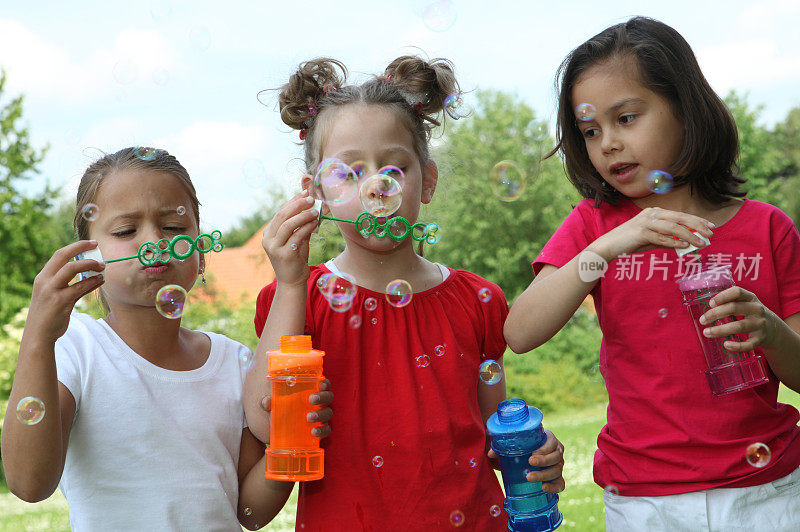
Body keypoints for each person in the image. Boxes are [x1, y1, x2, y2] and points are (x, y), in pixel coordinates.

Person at [243, 56, 566, 531]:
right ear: (315, 193)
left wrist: (532, 451)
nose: (376, 187)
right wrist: (290, 279)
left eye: (394, 169)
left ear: (427, 181)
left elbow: (495, 434)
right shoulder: (300, 297)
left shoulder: (477, 299)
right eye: (349, 172)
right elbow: (263, 423)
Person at [505, 16, 800, 530]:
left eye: (626, 119)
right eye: (590, 130)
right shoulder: (596, 227)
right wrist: (609, 245)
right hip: (643, 498)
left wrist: (769, 330)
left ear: (686, 111)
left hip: (766, 491)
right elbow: (520, 330)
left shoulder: (768, 229)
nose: (608, 144)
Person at [1, 147, 333, 531]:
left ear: (202, 251)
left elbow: (251, 511)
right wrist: (38, 338)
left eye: (174, 228)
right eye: (126, 231)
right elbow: (28, 484)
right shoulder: (76, 349)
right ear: (88, 257)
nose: (154, 241)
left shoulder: (234, 361)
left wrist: (293, 436)